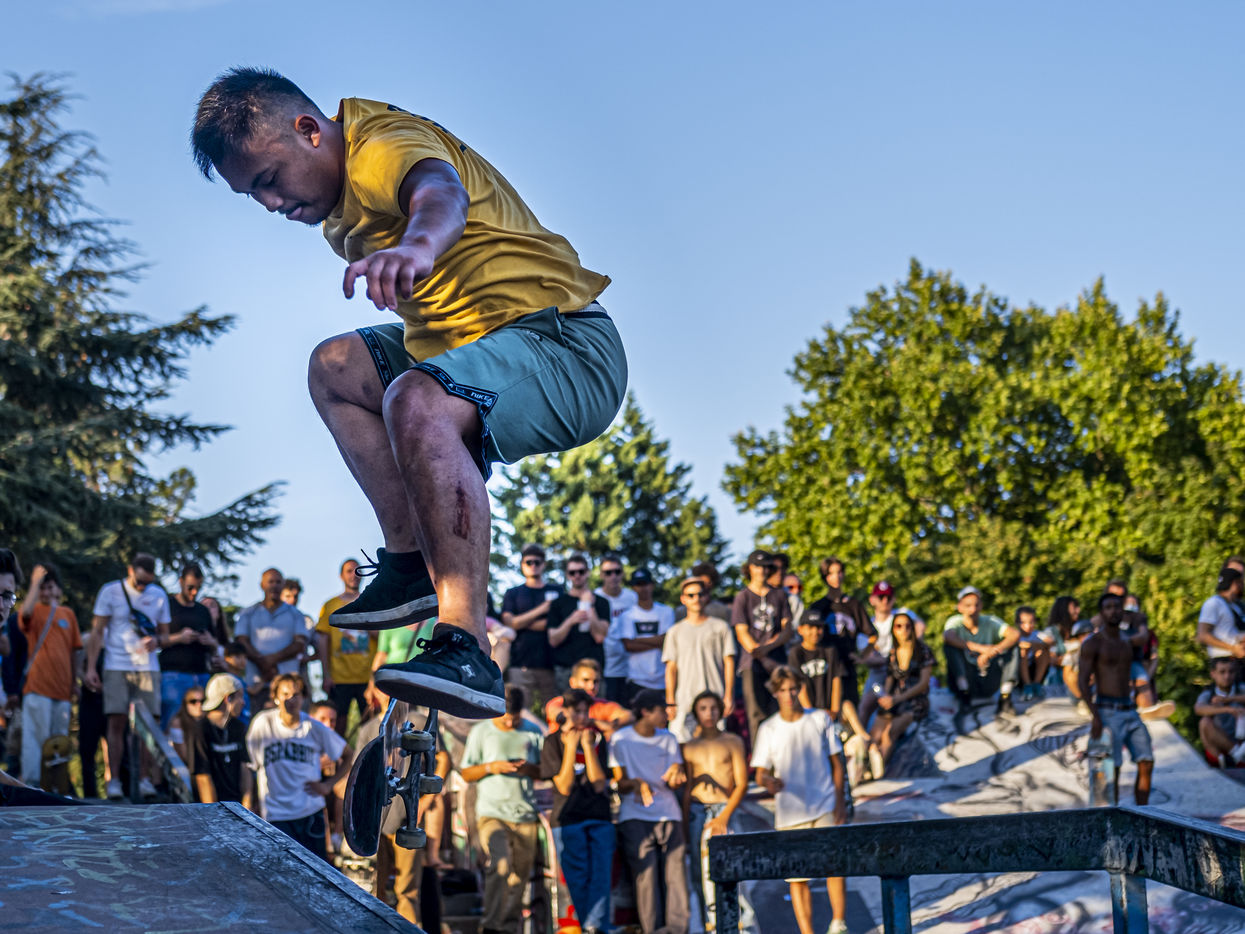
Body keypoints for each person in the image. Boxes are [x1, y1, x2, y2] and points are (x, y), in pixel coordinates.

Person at [191, 69, 626, 718]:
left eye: (269, 179)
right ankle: (411, 561)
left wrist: (419, 246)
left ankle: (467, 646)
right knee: (334, 368)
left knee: (413, 400)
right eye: (252, 194)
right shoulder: (340, 195)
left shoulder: (379, 147)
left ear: (309, 131)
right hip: (480, 349)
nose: (271, 204)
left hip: (565, 347)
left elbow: (440, 190)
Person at [750, 666, 848, 934]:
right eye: (783, 690)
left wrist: (840, 802)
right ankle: (807, 931)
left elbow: (837, 764)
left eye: (793, 688)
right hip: (790, 812)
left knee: (835, 866)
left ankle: (839, 923)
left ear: (800, 689)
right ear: (775, 693)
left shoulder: (819, 718)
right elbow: (760, 773)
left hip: (824, 803)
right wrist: (769, 781)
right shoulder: (768, 728)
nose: (789, 695)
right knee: (797, 876)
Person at [84, 553, 171, 799]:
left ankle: (144, 779)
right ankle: (114, 781)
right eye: (139, 581)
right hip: (116, 664)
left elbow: (165, 634)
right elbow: (97, 631)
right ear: (130, 570)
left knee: (147, 726)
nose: (143, 587)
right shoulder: (110, 591)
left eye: (147, 583)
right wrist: (91, 668)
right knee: (116, 721)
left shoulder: (158, 595)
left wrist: (157, 641)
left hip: (147, 667)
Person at [460, 686, 544, 934]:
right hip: (492, 813)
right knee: (500, 866)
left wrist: (528, 769)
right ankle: (490, 925)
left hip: (525, 813)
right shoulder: (481, 731)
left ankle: (507, 926)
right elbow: (466, 772)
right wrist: (491, 767)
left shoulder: (533, 731)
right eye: (505, 717)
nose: (509, 723)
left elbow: (545, 771)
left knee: (520, 875)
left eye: (515, 719)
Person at [609, 688, 689, 934]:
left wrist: (676, 777)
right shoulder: (621, 739)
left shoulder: (669, 738)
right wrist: (638, 783)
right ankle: (651, 929)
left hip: (669, 812)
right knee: (646, 875)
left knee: (676, 875)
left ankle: (678, 929)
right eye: (661, 711)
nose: (666, 716)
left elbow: (675, 775)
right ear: (645, 711)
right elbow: (620, 783)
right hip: (635, 814)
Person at [246, 673, 351, 858]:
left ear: (303, 697)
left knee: (316, 868)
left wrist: (328, 785)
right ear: (276, 697)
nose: (291, 699)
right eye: (285, 694)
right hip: (276, 814)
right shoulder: (263, 723)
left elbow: (348, 754)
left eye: (296, 694)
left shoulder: (313, 727)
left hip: (310, 810)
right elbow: (250, 766)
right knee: (281, 869)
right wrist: (249, 802)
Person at [681, 690, 754, 934]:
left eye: (713, 708)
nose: (709, 714)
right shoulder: (689, 747)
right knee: (699, 873)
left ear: (721, 711)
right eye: (703, 708)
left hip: (725, 809)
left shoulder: (732, 741)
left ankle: (742, 924)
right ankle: (708, 925)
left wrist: (723, 817)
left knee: (734, 867)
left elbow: (742, 783)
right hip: (697, 811)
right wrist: (684, 825)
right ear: (696, 713)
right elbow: (688, 789)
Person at [540, 689, 613, 934]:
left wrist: (588, 747)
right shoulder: (552, 741)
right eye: (577, 712)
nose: (581, 717)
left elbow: (599, 783)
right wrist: (571, 748)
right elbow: (564, 785)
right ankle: (582, 925)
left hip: (599, 816)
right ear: (566, 711)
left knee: (601, 875)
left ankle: (596, 927)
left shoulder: (598, 739)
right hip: (568, 817)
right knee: (576, 877)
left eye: (585, 711)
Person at [1078, 592, 1154, 804]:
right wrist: (1095, 716)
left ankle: (1143, 813)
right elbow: (1082, 681)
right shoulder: (1093, 643)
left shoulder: (1127, 641)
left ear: (1123, 611)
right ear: (1101, 613)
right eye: (1108, 607)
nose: (1113, 611)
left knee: (1146, 760)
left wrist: (1140, 621)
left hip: (1130, 709)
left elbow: (1145, 638)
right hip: (1107, 710)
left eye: (1117, 607)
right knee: (1114, 768)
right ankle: (1115, 814)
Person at [787, 606, 876, 782]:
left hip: (831, 712)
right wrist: (813, 713)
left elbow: (836, 679)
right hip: (809, 713)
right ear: (801, 629)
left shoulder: (829, 650)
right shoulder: (796, 653)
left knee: (847, 705)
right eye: (810, 627)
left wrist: (834, 710)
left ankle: (865, 740)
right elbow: (799, 686)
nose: (815, 632)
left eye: (819, 627)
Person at [17, 563, 82, 788]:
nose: (45, 592)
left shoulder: (68, 614)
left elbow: (75, 651)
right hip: (37, 689)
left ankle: (56, 787)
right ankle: (32, 785)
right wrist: (35, 582)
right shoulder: (34, 611)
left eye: (49, 587)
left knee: (59, 743)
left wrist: (75, 682)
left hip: (62, 691)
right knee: (35, 740)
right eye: (42, 588)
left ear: (58, 589)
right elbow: (24, 613)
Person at [662, 577, 735, 742]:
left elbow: (729, 662)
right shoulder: (675, 631)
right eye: (691, 595)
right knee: (681, 744)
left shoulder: (721, 627)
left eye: (700, 594)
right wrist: (670, 701)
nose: (696, 599)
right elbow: (671, 668)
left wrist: (728, 696)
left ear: (707, 597)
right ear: (683, 599)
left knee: (716, 744)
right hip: (684, 699)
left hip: (714, 697)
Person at [732, 550, 793, 743]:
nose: (762, 571)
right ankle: (760, 759)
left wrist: (769, 648)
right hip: (752, 664)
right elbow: (742, 633)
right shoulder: (743, 597)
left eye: (766, 567)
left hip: (778, 662)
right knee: (756, 714)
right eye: (758, 566)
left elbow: (787, 629)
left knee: (781, 710)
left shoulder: (780, 595)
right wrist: (763, 657)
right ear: (749, 569)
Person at [870, 611, 934, 777]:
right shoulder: (893, 652)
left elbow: (923, 684)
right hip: (894, 699)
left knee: (889, 733)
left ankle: (878, 772)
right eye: (899, 626)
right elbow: (890, 679)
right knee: (874, 735)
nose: (903, 630)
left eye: (907, 626)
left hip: (914, 701)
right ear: (893, 630)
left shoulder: (923, 651)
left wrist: (897, 698)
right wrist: (885, 697)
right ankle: (865, 769)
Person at [316, 559, 374, 735]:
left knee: (371, 725)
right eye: (349, 571)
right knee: (336, 725)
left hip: (368, 676)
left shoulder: (372, 602)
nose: (354, 575)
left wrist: (365, 622)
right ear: (341, 575)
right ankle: (338, 754)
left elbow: (383, 636)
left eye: (358, 571)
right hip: (339, 677)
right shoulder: (330, 605)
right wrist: (326, 674)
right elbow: (322, 641)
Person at [235, 568, 310, 705]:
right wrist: (262, 663)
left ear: (283, 585)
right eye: (270, 582)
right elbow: (241, 642)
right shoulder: (248, 613)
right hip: (255, 684)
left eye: (278, 582)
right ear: (262, 585)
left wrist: (271, 660)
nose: (274, 586)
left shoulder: (296, 614)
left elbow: (300, 644)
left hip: (287, 687)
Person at [501, 544, 561, 712]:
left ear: (543, 564)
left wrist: (521, 622)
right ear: (522, 565)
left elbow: (559, 623)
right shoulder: (513, 593)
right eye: (529, 562)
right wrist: (543, 609)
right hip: (520, 663)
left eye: (537, 562)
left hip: (551, 664)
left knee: (554, 713)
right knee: (519, 712)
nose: (533, 565)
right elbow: (509, 623)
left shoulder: (557, 590)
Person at [942, 585, 1019, 713]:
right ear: (960, 607)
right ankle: (964, 693)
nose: (973, 609)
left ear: (981, 606)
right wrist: (981, 649)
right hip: (967, 676)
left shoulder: (990, 621)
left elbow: (1014, 634)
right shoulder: (955, 622)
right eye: (968, 605)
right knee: (950, 647)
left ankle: (1005, 696)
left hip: (987, 679)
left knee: (1013, 647)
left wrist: (993, 651)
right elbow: (948, 637)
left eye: (976, 605)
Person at [807, 557, 874, 706]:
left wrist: (862, 657)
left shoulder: (853, 604)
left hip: (847, 666)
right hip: (824, 667)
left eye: (839, 572)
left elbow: (872, 635)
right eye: (831, 573)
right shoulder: (818, 607)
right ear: (825, 576)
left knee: (849, 706)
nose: (836, 577)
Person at [160, 564, 218, 731]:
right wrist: (179, 637)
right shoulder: (167, 606)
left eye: (198, 588)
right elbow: (156, 640)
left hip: (200, 673)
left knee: (201, 723)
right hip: (173, 674)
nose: (194, 592)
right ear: (181, 582)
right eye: (190, 587)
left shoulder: (202, 611)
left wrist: (210, 641)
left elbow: (215, 643)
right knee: (171, 719)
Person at [547, 554, 610, 692]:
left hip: (594, 671)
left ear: (587, 573)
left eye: (581, 571)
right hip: (566, 670)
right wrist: (571, 620)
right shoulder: (558, 603)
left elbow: (600, 637)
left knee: (597, 706)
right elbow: (553, 640)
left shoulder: (601, 602)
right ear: (567, 575)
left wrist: (589, 607)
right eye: (572, 572)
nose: (577, 575)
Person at [189, 672, 251, 804]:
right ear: (228, 698)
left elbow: (245, 768)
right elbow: (202, 776)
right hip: (212, 808)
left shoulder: (239, 727)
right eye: (240, 696)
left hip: (237, 806)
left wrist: (247, 807)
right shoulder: (200, 730)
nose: (243, 702)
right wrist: (212, 812)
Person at [618, 569, 675, 702]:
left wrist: (637, 640)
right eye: (638, 584)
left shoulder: (666, 611)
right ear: (633, 587)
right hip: (636, 680)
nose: (643, 588)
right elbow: (628, 645)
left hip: (662, 679)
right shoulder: (627, 615)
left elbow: (667, 641)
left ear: (652, 585)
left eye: (645, 584)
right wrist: (658, 641)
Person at [543, 658, 632, 739]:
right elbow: (555, 713)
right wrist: (596, 723)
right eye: (585, 680)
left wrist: (611, 726)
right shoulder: (560, 702)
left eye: (596, 681)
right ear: (572, 682)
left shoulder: (603, 705)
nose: (591, 686)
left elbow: (629, 716)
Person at [597, 555, 639, 703]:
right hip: (605, 668)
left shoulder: (632, 597)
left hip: (630, 668)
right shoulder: (595, 597)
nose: (613, 576)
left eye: (617, 571)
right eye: (608, 573)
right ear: (601, 575)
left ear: (622, 573)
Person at [1196, 656, 1245, 767]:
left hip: (1240, 741)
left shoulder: (1240, 688)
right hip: (1220, 747)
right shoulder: (1209, 693)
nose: (1227, 676)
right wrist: (1227, 709)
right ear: (1213, 674)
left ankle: (1236, 756)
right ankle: (1235, 755)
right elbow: (1198, 709)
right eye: (1222, 672)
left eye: (1231, 672)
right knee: (1204, 722)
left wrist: (1229, 699)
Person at [1197, 567, 1245, 665]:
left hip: (1238, 659)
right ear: (1235, 583)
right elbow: (1202, 635)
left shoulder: (1234, 605)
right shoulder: (1213, 603)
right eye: (1241, 582)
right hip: (1223, 661)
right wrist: (1232, 648)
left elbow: (1231, 633)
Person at [1039, 596, 1083, 700]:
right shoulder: (1051, 632)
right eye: (1074, 607)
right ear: (1064, 609)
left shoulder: (1080, 630)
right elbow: (1050, 659)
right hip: (1059, 678)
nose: (1078, 610)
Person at [1013, 605, 1050, 700]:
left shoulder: (1037, 634)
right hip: (1018, 672)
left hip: (1034, 669)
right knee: (1023, 652)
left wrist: (1034, 645)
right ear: (1017, 622)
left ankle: (1036, 685)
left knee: (1043, 652)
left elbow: (1050, 642)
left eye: (1031, 622)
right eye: (1023, 622)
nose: (1028, 626)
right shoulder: (1015, 634)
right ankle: (1027, 686)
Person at [167, 685, 206, 768]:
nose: (199, 705)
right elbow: (183, 755)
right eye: (193, 701)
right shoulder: (177, 723)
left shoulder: (209, 722)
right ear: (185, 704)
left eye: (203, 701)